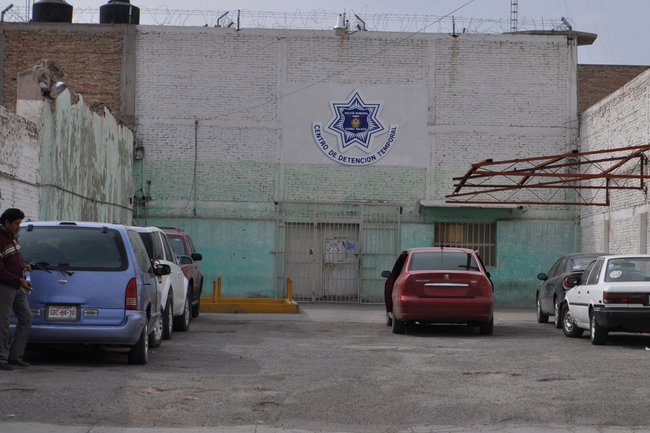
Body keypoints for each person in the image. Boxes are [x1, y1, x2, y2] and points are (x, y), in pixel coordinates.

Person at [0, 208, 33, 370]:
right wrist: (19, 280)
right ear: (6, 222)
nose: (19, 227)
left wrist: (23, 265)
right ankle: (1, 359)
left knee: (26, 318)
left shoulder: (13, 237)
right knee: (3, 324)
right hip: (4, 287)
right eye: (16, 224)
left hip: (17, 286)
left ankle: (14, 356)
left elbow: (15, 258)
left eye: (20, 223)